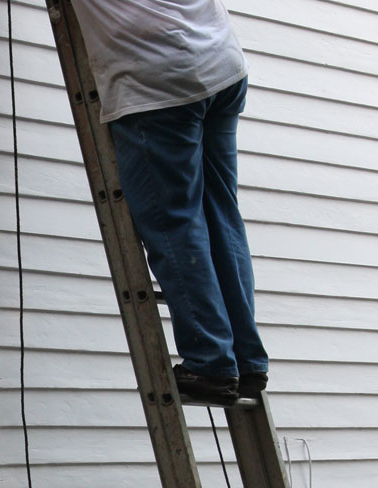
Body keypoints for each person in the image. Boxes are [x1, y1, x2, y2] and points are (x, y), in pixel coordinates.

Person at [71, 0, 269, 405]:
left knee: (173, 222)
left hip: (158, 83)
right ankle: (246, 361)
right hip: (221, 65)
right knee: (220, 213)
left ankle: (211, 362)